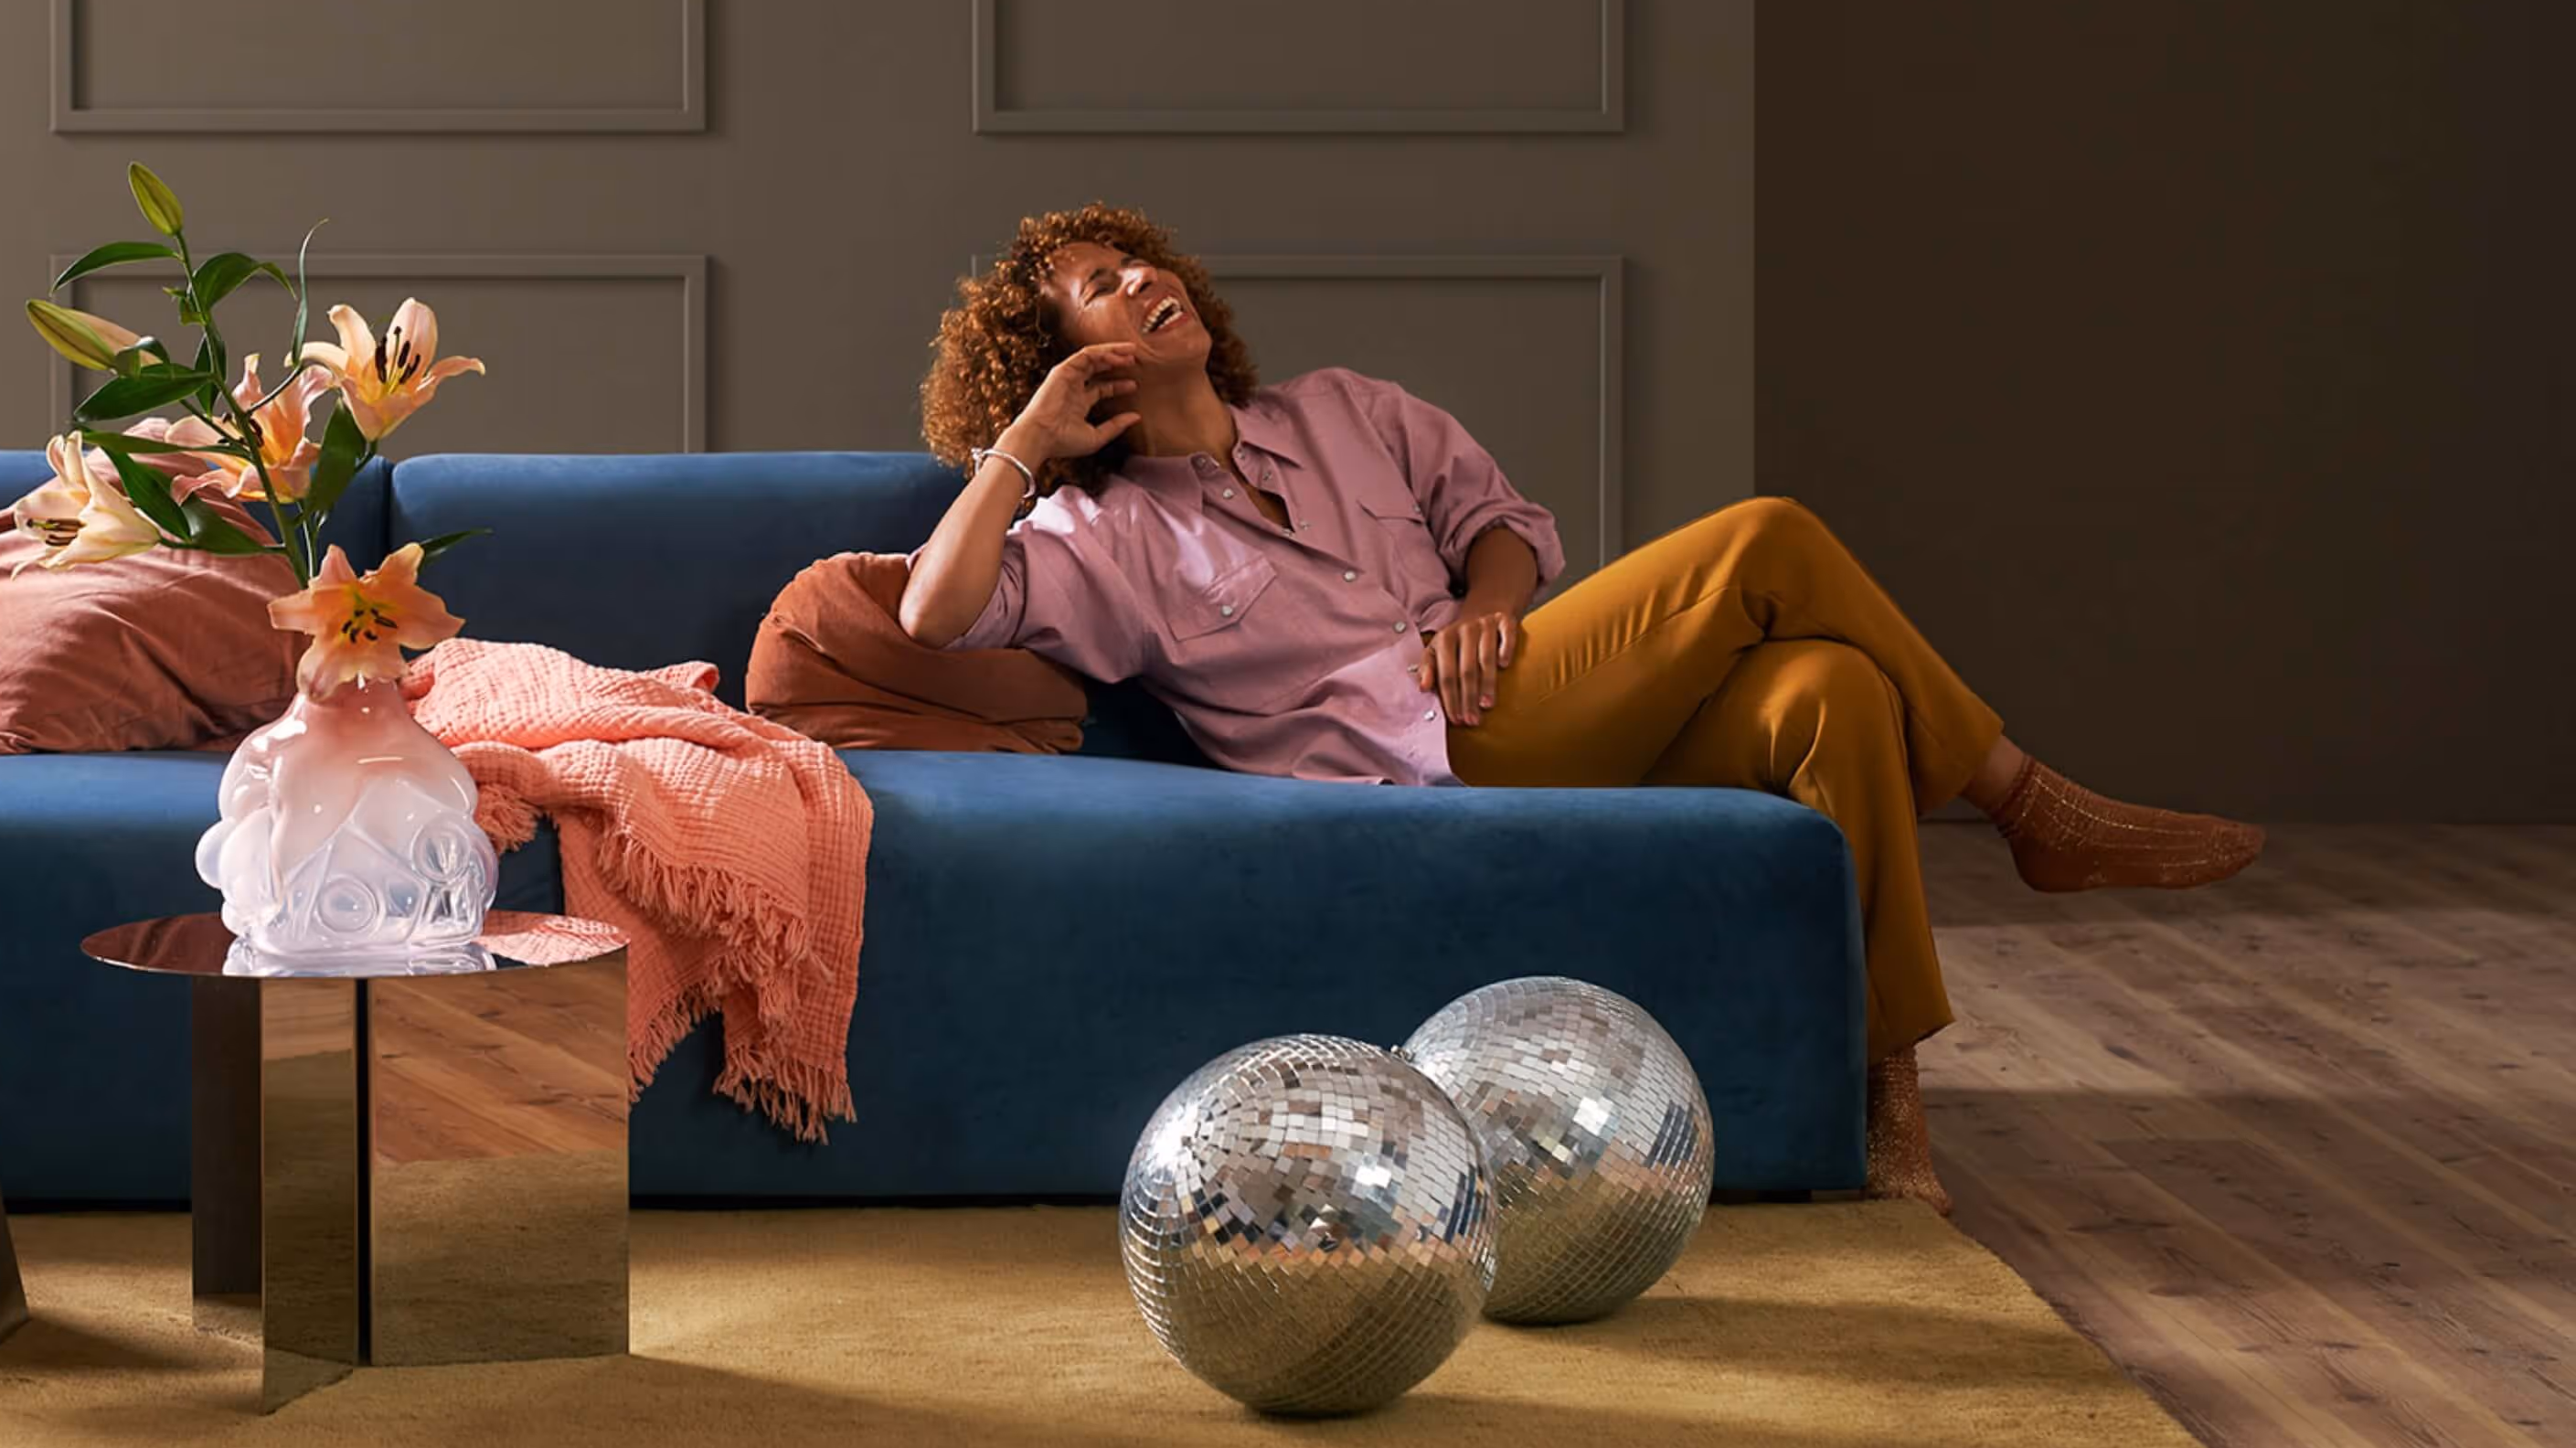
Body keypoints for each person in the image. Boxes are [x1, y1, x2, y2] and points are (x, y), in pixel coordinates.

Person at [900, 204, 2263, 1211]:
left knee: (1835, 693)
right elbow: (932, 611)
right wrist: (1023, 445)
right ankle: (2028, 804)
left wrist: (1491, 604)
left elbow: (1503, 524)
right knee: (1771, 537)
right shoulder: (1108, 539)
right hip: (1423, 761)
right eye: (1095, 285)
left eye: (1140, 258)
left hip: (1520, 688)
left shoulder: (1344, 409)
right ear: (1061, 357)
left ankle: (1886, 1094)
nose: (1142, 277)